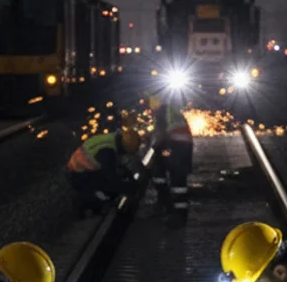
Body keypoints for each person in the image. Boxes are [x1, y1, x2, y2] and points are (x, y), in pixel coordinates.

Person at [66, 113, 142, 217]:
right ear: (124, 148)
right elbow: (112, 178)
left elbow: (119, 166)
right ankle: (89, 208)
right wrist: (130, 188)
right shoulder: (107, 152)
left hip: (89, 170)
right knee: (103, 196)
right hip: (79, 175)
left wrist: (129, 177)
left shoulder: (114, 139)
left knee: (115, 182)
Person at [148, 92, 194, 229]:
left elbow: (161, 134)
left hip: (175, 145)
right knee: (179, 181)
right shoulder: (171, 111)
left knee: (177, 181)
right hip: (185, 145)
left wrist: (155, 147)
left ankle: (177, 216)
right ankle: (178, 212)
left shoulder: (162, 112)